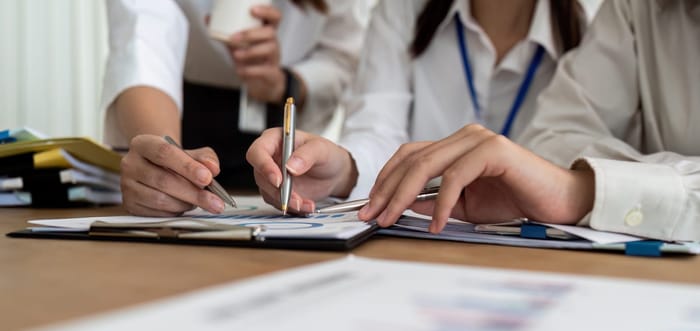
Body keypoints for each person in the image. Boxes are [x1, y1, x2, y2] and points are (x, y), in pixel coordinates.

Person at [355, 0, 700, 242]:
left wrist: (582, 189)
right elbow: (551, 139)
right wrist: (349, 167)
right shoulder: (634, 9)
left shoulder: (589, 19)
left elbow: (552, 166)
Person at [247, 0, 589, 213]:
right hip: (424, 238)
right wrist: (344, 170)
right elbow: (378, 129)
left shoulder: (595, 27)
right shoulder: (402, 9)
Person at [104, 0, 368, 216]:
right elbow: (143, 39)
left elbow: (341, 55)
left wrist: (283, 83)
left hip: (279, 125)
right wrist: (163, 161)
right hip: (174, 111)